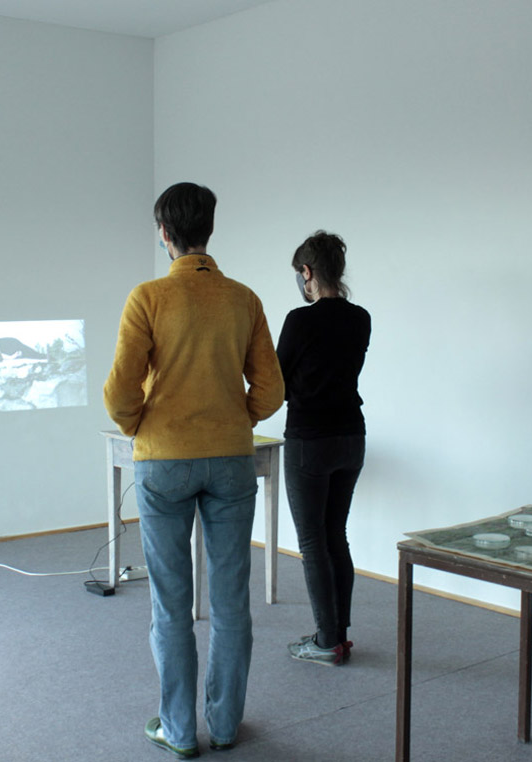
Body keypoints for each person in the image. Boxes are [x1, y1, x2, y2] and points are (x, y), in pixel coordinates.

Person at [103, 182, 284, 758]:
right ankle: (226, 726)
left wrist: (140, 425)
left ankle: (178, 731)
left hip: (164, 460)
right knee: (231, 601)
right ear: (209, 229)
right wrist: (234, 418)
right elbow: (271, 390)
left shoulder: (148, 297)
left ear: (164, 233)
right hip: (231, 459)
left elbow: (119, 391)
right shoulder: (244, 299)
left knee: (170, 603)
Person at [275, 231, 371, 667]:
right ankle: (338, 636)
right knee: (336, 535)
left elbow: (277, 382)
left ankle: (325, 641)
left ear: (307, 271)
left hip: (309, 440)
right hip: (351, 436)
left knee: (313, 542)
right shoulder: (361, 318)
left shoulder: (300, 320)